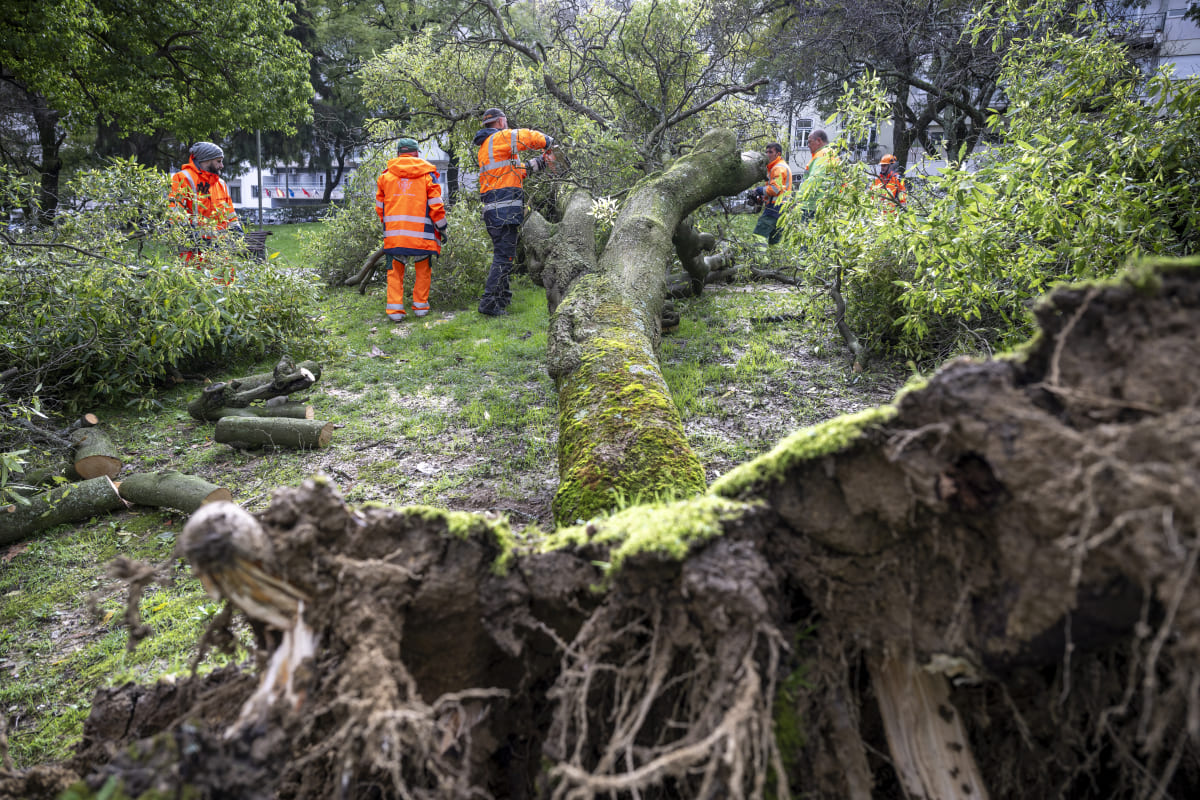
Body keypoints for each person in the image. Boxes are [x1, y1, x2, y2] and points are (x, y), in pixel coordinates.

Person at [472, 107, 554, 316]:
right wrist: (548, 141)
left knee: (504, 255)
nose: (507, 125)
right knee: (504, 257)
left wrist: (540, 163)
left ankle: (502, 298)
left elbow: (516, 173)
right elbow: (525, 136)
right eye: (506, 122)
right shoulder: (499, 138)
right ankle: (489, 304)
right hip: (503, 209)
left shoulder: (489, 146)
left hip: (497, 210)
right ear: (500, 122)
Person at [375, 138, 448, 322]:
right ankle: (421, 307)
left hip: (395, 236)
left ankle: (395, 312)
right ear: (416, 153)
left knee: (395, 271)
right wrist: (442, 226)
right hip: (421, 236)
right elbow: (436, 205)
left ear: (399, 154)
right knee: (423, 269)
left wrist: (389, 225)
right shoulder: (427, 175)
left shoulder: (385, 176)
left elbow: (380, 207)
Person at [169, 142, 242, 282]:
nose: (221, 165)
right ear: (206, 160)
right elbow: (174, 208)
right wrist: (189, 233)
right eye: (218, 161)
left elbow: (229, 213)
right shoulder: (183, 178)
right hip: (193, 250)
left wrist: (236, 229)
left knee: (225, 286)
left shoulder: (220, 184)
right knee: (195, 288)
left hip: (219, 249)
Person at [750, 142, 793, 245]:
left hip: (775, 208)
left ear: (777, 154)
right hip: (783, 209)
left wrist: (759, 190)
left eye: (770, 152)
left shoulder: (777, 168)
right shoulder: (781, 166)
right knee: (774, 242)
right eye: (766, 152)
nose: (767, 154)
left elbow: (774, 189)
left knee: (758, 236)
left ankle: (759, 260)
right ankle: (774, 261)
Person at [794, 129, 840, 222]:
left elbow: (814, 180)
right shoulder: (831, 154)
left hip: (812, 205)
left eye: (810, 142)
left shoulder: (822, 155)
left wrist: (798, 200)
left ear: (819, 141)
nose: (808, 145)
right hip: (824, 204)